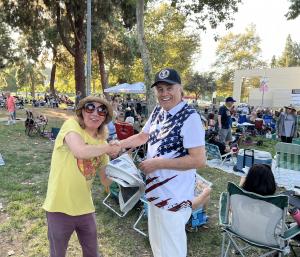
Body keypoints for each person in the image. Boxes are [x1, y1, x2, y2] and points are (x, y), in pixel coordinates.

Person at [112, 68, 206, 257]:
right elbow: (143, 136)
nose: (164, 93)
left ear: (181, 89)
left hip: (175, 196)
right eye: (160, 89)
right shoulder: (158, 111)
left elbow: (199, 159)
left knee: (172, 250)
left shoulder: (191, 118)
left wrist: (158, 163)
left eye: (169, 88)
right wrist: (118, 144)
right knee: (158, 246)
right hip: (155, 192)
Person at [43, 96, 120, 257]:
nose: (95, 113)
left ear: (105, 117)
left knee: (92, 253)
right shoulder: (71, 126)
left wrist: (122, 167)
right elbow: (80, 151)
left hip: (85, 207)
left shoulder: (102, 142)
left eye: (102, 110)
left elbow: (105, 180)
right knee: (58, 254)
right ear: (81, 112)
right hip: (59, 206)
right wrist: (107, 148)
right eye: (90, 107)